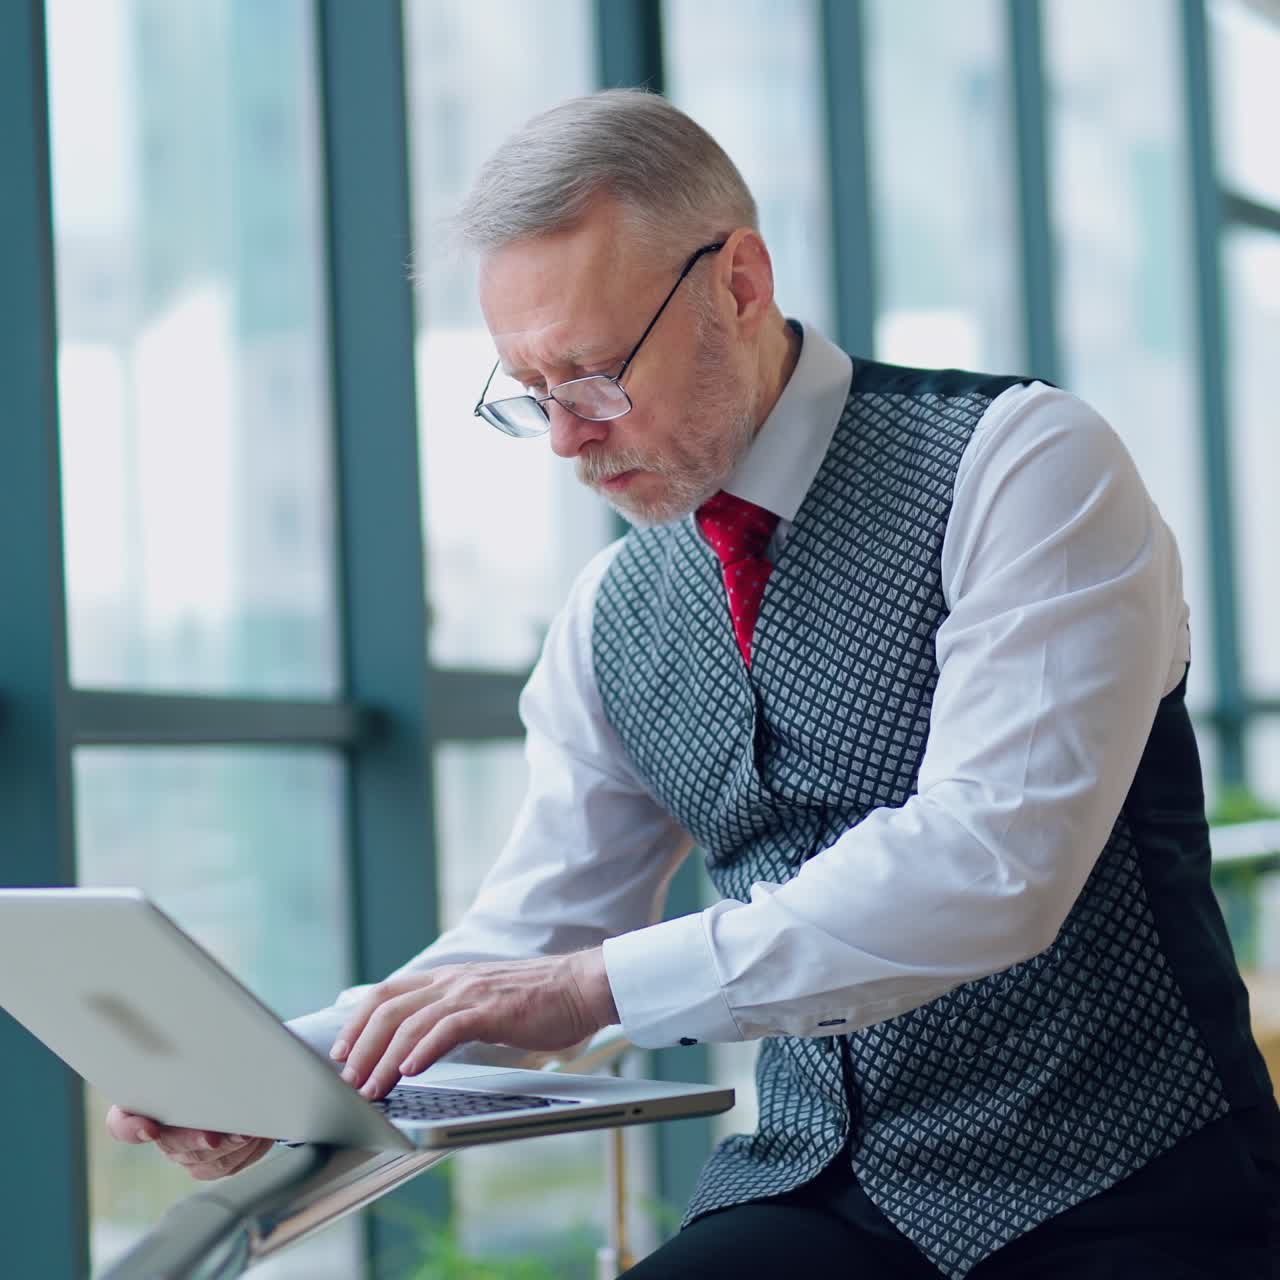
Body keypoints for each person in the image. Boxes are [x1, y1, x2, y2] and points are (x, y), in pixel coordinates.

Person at [108, 89, 1279, 1278]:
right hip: (815, 1192)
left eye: (594, 375)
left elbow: (989, 867)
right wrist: (281, 1072)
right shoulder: (608, 616)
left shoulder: (1022, 464)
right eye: (530, 393)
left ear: (738, 281)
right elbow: (540, 931)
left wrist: (588, 987)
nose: (566, 437)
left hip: (1133, 1192)